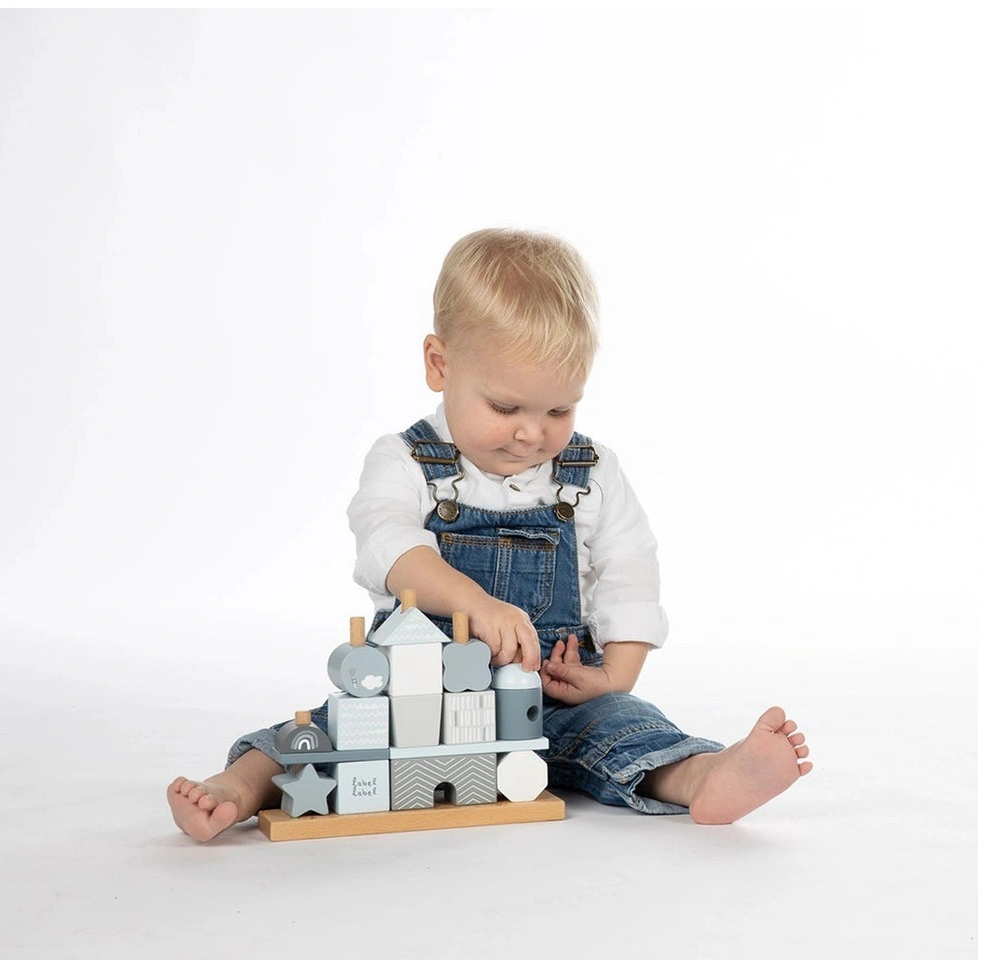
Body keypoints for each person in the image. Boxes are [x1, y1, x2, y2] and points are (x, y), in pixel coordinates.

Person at [168, 228, 811, 841]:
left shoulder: (589, 473)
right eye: (506, 408)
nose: (533, 433)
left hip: (551, 698)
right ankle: (241, 786)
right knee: (334, 734)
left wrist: (613, 675)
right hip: (419, 702)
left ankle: (706, 776)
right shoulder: (407, 461)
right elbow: (387, 542)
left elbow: (630, 566)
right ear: (439, 364)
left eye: (558, 409)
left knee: (627, 728)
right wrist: (474, 602)